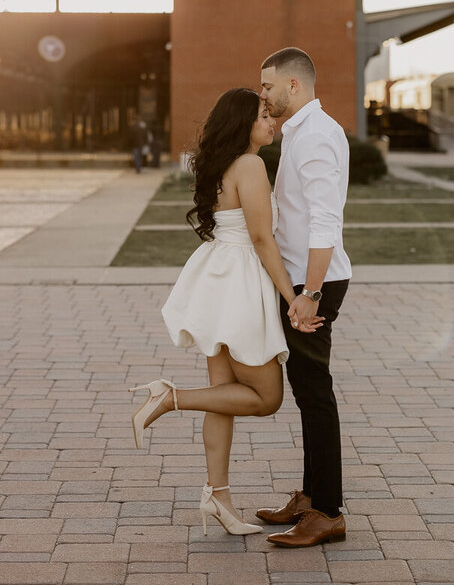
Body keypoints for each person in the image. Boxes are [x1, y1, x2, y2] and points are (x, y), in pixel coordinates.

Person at [128, 88, 298, 536]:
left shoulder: (223, 164)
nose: (272, 121)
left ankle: (218, 498)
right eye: (264, 115)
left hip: (218, 274)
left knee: (222, 395)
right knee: (267, 397)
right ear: (243, 122)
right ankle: (170, 397)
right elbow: (263, 239)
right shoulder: (251, 164)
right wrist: (293, 297)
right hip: (240, 280)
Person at [254, 47, 352, 548]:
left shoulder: (314, 137)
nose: (263, 94)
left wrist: (309, 292)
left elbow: (324, 221)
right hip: (303, 281)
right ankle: (313, 497)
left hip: (314, 283)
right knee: (308, 391)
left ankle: (328, 512)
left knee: (315, 393)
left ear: (294, 85)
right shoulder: (304, 131)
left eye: (268, 85)